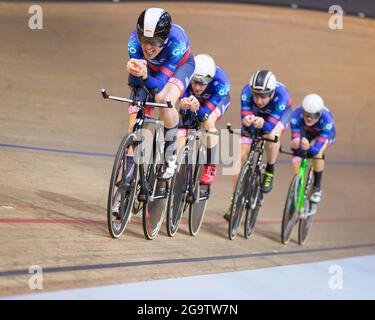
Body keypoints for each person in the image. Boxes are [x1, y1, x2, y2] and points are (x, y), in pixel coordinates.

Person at [125, 8, 195, 181]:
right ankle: (127, 180)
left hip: (179, 68)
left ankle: (170, 154)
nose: (149, 47)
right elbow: (135, 85)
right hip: (151, 71)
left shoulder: (177, 42)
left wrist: (144, 75)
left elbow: (159, 86)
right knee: (134, 124)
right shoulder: (133, 41)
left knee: (164, 100)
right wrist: (134, 74)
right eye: (145, 40)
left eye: (155, 41)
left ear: (164, 38)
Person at [224, 70, 292, 221]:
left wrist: (264, 124)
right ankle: (234, 201)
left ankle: (269, 169)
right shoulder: (246, 92)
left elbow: (268, 127)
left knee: (271, 135)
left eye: (263, 96)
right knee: (240, 157)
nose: (259, 100)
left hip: (279, 116)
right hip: (257, 116)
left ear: (272, 93)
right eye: (255, 95)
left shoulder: (282, 97)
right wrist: (247, 120)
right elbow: (245, 119)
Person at [177, 54, 231, 185]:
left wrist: (195, 109)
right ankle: (177, 164)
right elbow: (181, 98)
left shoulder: (221, 82)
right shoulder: (186, 71)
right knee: (181, 127)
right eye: (195, 82)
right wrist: (183, 103)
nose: (197, 87)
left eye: (202, 84)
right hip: (194, 100)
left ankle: (210, 166)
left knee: (207, 122)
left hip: (215, 101)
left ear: (210, 79)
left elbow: (204, 112)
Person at [290, 93, 336, 203]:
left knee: (317, 153)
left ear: (320, 114)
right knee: (297, 148)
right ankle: (297, 183)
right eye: (306, 114)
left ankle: (317, 187)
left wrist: (310, 150)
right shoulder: (295, 116)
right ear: (302, 111)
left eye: (314, 115)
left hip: (323, 135)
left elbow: (316, 148)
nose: (310, 118)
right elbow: (296, 137)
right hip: (306, 132)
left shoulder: (327, 120)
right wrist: (297, 147)